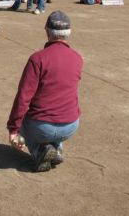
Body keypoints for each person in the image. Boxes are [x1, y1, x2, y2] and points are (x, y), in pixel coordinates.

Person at [7, 10, 82, 172]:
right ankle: (57, 150)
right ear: (69, 33)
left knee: (25, 121)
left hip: (42, 127)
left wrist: (13, 129)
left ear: (47, 32)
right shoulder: (77, 57)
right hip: (71, 126)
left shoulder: (38, 58)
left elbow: (23, 97)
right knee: (53, 118)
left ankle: (39, 151)